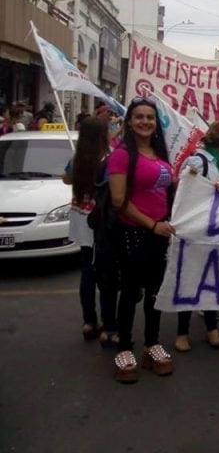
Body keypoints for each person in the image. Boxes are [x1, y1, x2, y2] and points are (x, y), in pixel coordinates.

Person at [108, 97, 176, 384]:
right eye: (139, 117)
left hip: (159, 233)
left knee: (155, 292)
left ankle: (152, 344)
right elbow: (118, 200)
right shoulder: (122, 155)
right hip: (134, 233)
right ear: (129, 121)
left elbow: (164, 189)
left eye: (150, 117)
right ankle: (124, 347)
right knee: (131, 292)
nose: (145, 121)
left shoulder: (160, 153)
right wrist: (152, 225)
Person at [174, 121, 219, 352]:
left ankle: (212, 328)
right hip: (194, 233)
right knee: (189, 278)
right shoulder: (198, 162)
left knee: (211, 279)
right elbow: (184, 193)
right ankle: (182, 332)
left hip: (216, 231)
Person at [63, 117, 118, 346]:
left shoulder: (78, 157)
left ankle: (89, 321)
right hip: (99, 223)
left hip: (79, 218)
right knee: (106, 275)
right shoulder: (108, 158)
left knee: (87, 272)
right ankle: (108, 323)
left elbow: (66, 179)